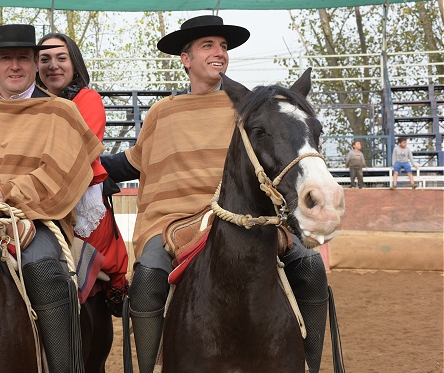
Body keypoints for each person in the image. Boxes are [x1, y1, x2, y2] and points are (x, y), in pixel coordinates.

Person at [101, 15, 330, 373]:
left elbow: (282, 157)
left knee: (312, 267)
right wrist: (88, 169)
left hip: (246, 218)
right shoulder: (164, 112)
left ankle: (311, 365)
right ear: (186, 58)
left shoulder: (252, 109)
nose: (219, 52)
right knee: (146, 278)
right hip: (174, 221)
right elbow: (135, 161)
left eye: (223, 46)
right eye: (208, 45)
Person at [0, 24, 105, 373]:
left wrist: (4, 196)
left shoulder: (60, 112)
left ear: (35, 64)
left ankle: (67, 367)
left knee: (44, 269)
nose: (14, 66)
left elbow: (59, 177)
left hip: (35, 218)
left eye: (22, 58)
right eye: (6, 58)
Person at [36, 33, 129, 312]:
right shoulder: (28, 104)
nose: (53, 65)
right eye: (45, 59)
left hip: (75, 195)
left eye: (61, 58)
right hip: (36, 191)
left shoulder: (88, 99)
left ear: (74, 63)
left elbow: (77, 153)